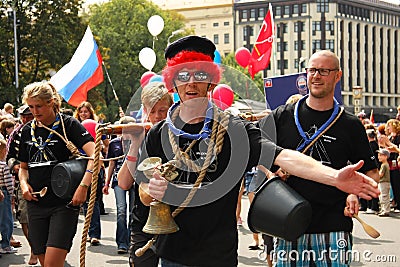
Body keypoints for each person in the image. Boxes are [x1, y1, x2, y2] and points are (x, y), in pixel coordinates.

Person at [132, 36, 379, 267]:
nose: (192, 83)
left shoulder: (234, 131)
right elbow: (143, 191)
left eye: (200, 74)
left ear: (211, 81)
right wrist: (152, 190)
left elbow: (284, 156)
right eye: (183, 75)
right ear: (173, 81)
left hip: (219, 256)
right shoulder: (158, 134)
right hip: (173, 255)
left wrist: (334, 177)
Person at [259, 50, 379, 266]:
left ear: (337, 76)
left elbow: (371, 173)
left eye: (324, 71)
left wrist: (355, 194)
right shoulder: (281, 116)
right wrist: (273, 175)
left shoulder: (350, 124)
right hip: (288, 222)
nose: (316, 76)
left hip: (334, 225)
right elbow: (259, 154)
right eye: (312, 70)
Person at [18, 81, 95, 267]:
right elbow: (23, 168)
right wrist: (23, 185)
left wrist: (84, 186)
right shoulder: (27, 131)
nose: (34, 112)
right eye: (31, 107)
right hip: (36, 205)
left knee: (52, 264)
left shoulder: (69, 124)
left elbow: (96, 155)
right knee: (46, 263)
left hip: (63, 204)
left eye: (39, 106)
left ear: (51, 102)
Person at [118, 81, 173, 267]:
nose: (157, 116)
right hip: (142, 221)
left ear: (171, 108)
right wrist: (135, 143)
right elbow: (124, 183)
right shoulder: (140, 138)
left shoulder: (177, 138)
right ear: (144, 110)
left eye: (163, 110)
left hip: (175, 221)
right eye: (152, 111)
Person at [6, 104, 37, 264]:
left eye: (28, 115)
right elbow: (9, 156)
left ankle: (45, 248)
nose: (25, 119)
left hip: (45, 181)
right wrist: (16, 166)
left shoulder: (46, 129)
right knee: (24, 217)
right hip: (22, 180)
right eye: (23, 116)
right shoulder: (16, 133)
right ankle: (34, 248)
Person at [103, 116, 136, 254]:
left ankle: (132, 241)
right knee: (121, 210)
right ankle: (122, 243)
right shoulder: (114, 143)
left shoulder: (137, 142)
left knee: (133, 212)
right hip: (118, 180)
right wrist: (107, 183)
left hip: (135, 180)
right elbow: (111, 163)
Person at [74, 101, 109, 215]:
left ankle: (94, 232)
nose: (83, 114)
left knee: (93, 199)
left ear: (90, 113)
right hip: (79, 163)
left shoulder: (97, 126)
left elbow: (106, 143)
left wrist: (100, 148)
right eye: (81, 112)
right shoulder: (73, 126)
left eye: (86, 111)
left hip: (95, 162)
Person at [0, 139, 17, 254]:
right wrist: (12, 194)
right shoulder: (3, 166)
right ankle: (5, 244)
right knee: (6, 220)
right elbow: (8, 183)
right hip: (4, 193)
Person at [377, 148, 391, 217]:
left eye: (380, 155)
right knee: (382, 196)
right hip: (384, 182)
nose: (378, 157)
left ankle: (385, 210)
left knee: (384, 196)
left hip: (384, 182)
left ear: (386, 156)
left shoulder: (384, 165)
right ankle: (383, 209)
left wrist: (376, 175)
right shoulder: (384, 164)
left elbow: (381, 174)